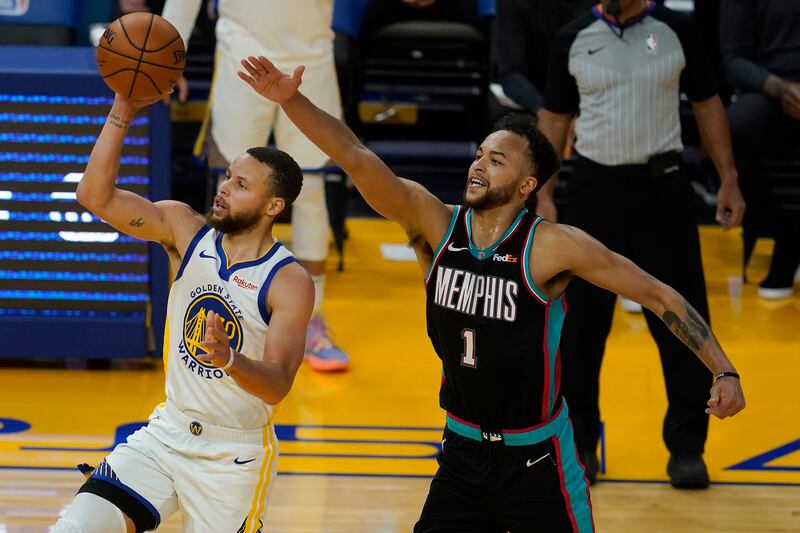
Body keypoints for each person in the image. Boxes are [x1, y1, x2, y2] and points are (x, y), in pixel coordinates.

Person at [237, 54, 746, 531]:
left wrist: (721, 369)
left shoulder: (551, 247)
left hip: (539, 460)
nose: (478, 165)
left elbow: (660, 296)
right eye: (478, 154)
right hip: (460, 452)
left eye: (497, 160)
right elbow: (354, 155)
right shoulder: (434, 225)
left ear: (527, 185)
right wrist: (289, 100)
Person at [51, 93, 314, 532]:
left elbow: (277, 384)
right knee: (76, 528)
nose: (225, 187)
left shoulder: (288, 280)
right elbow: (93, 196)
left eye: (242, 185)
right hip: (165, 434)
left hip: (234, 456)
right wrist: (123, 108)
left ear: (274, 206)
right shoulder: (183, 230)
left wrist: (231, 359)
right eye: (228, 176)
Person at [535, 0, 746, 488]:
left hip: (663, 191)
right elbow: (553, 117)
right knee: (581, 330)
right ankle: (582, 444)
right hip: (592, 192)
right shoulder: (573, 36)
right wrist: (543, 192)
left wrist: (729, 179)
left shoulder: (678, 30)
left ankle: (688, 447)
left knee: (681, 319)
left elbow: (708, 103)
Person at [162, 0, 350, 372]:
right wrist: (169, 56)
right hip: (242, 56)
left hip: (310, 59)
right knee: (230, 187)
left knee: (310, 190)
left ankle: (313, 321)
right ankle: (212, 307)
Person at [721, 0, 800, 299]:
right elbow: (732, 59)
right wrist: (779, 88)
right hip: (771, 89)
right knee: (728, 132)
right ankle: (787, 237)